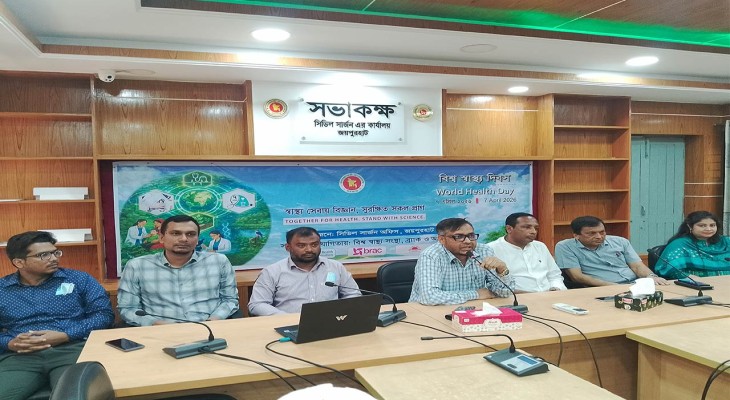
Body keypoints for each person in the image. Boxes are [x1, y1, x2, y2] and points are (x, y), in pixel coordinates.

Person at [0, 231, 114, 400]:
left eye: (55, 252)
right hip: (20, 357)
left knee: (74, 396)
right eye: (43, 255)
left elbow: (104, 315)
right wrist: (9, 343)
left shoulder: (79, 279)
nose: (54, 258)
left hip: (72, 350)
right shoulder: (2, 289)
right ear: (19, 262)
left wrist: (66, 335)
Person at [118, 215, 239, 326]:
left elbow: (229, 300)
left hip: (210, 329)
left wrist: (213, 321)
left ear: (197, 239)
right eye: (175, 233)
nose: (184, 239)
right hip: (158, 332)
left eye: (191, 234)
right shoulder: (137, 266)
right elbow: (128, 308)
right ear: (161, 237)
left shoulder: (219, 262)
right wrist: (156, 324)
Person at [248, 227, 360, 316]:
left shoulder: (335, 267)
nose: (309, 249)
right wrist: (287, 318)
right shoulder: (272, 272)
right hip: (287, 325)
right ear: (288, 247)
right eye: (301, 246)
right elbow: (257, 304)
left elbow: (353, 294)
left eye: (314, 244)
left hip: (331, 323)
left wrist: (339, 313)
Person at [409, 218, 514, 305]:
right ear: (441, 239)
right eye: (459, 237)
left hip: (473, 309)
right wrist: (476, 294)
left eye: (471, 236)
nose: (468, 241)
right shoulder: (431, 256)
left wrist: (502, 270)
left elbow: (504, 293)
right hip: (429, 311)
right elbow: (429, 297)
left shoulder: (484, 251)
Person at [555, 216, 669, 287]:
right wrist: (614, 286)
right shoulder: (565, 247)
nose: (599, 236)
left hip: (635, 285)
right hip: (601, 289)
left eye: (602, 232)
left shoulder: (620, 241)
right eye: (591, 233)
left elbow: (637, 266)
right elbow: (577, 277)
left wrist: (651, 276)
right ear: (576, 235)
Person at [487, 212, 566, 292]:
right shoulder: (490, 249)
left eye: (536, 228)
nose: (533, 231)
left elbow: (554, 275)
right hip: (516, 297)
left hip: (550, 294)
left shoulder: (540, 246)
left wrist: (556, 288)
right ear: (509, 229)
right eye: (527, 227)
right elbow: (491, 285)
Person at [655, 211, 730, 278]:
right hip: (696, 284)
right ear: (690, 226)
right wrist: (687, 277)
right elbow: (668, 269)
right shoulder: (679, 244)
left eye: (712, 225)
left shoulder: (726, 241)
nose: (708, 229)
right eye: (702, 226)